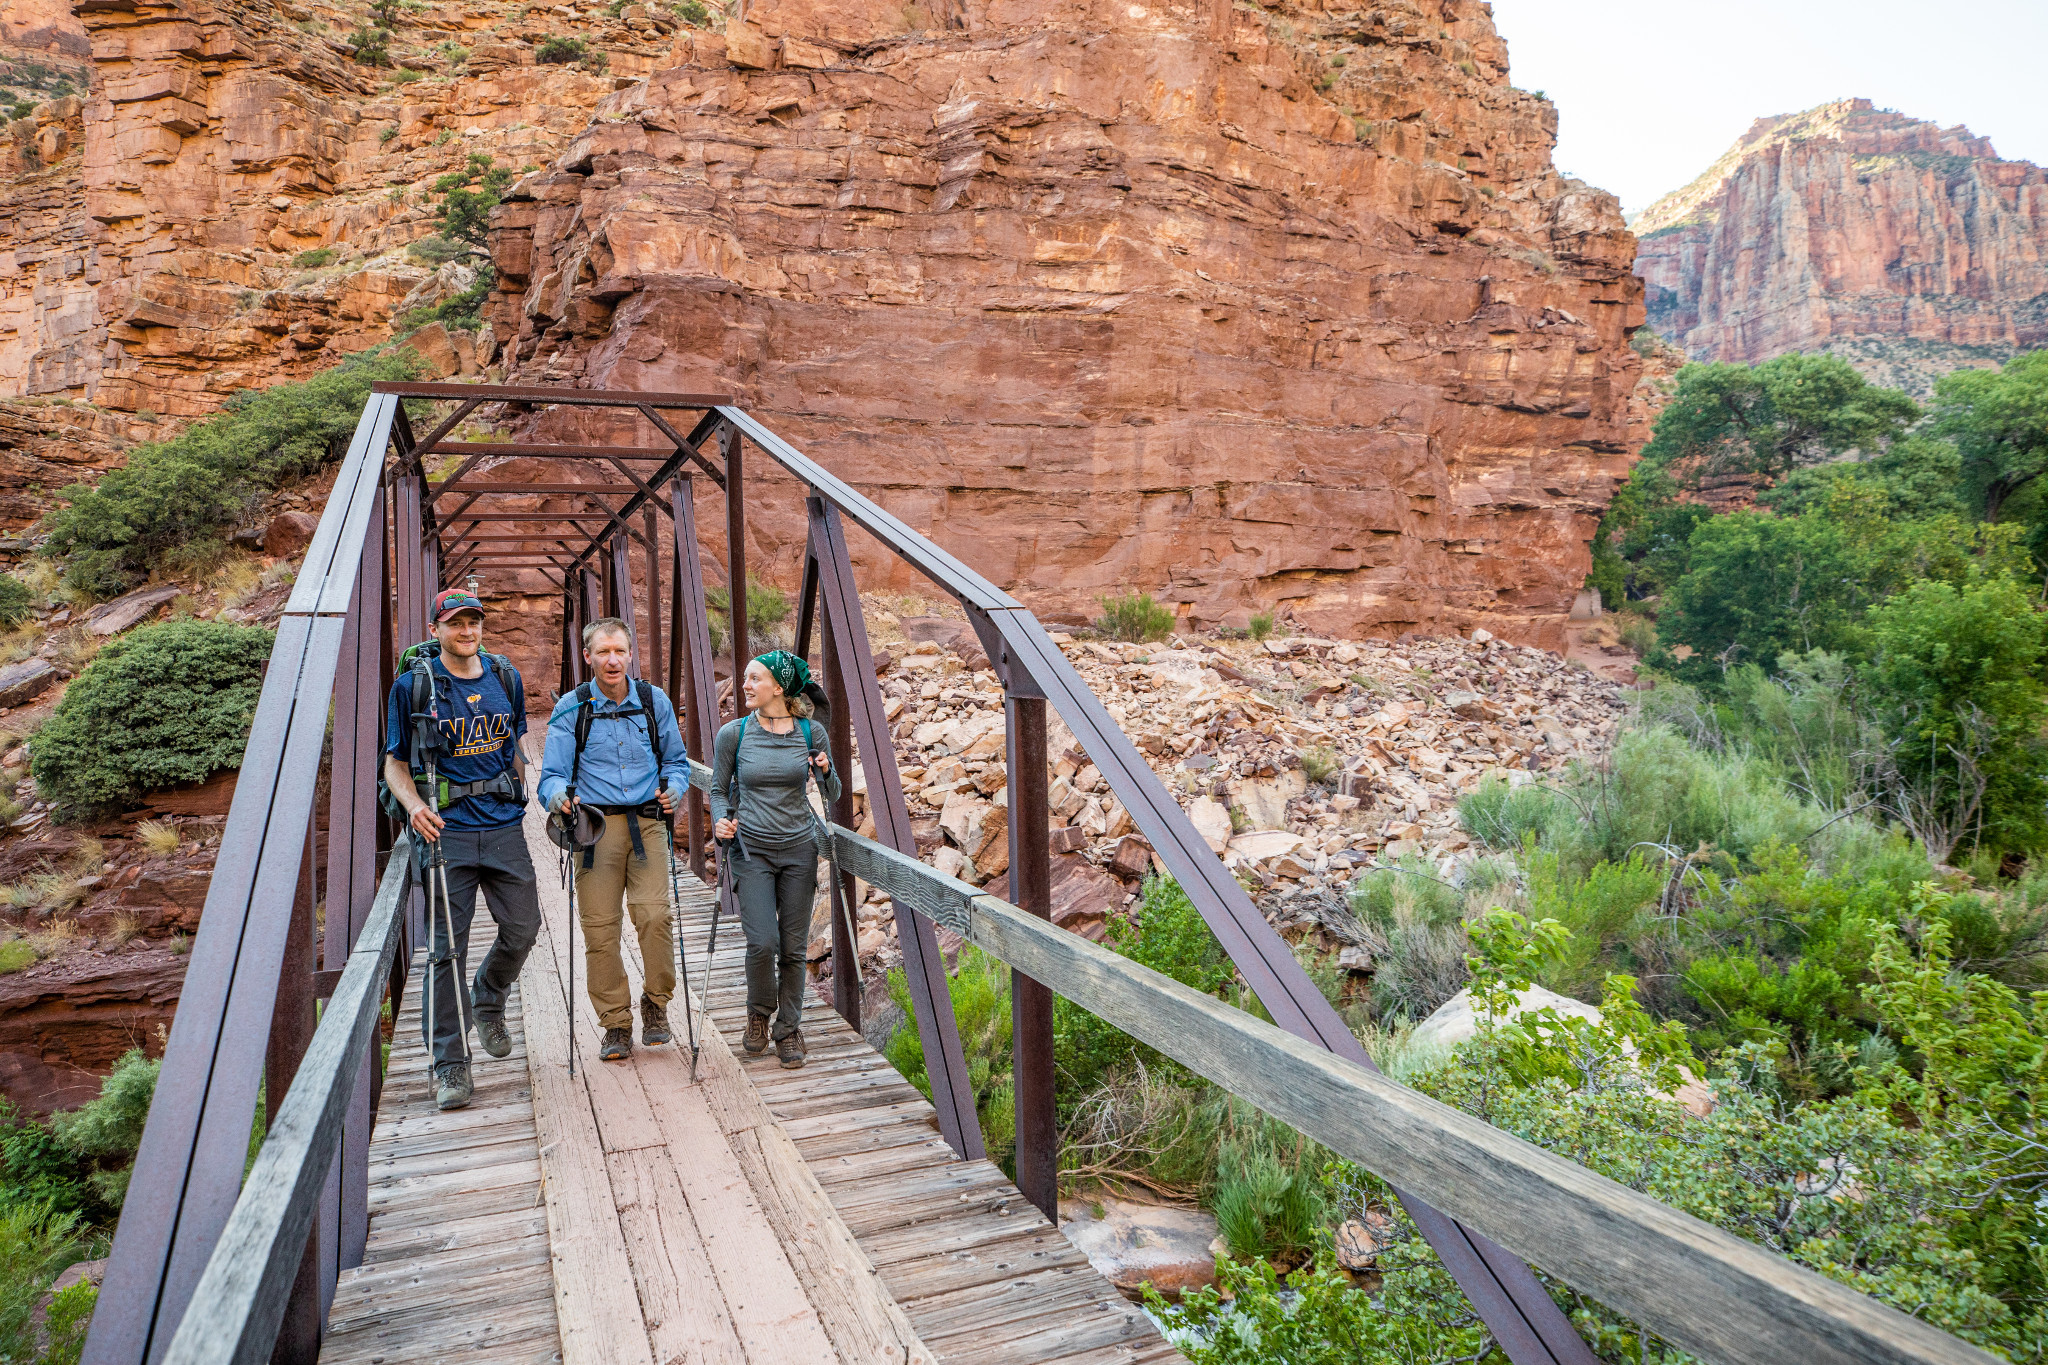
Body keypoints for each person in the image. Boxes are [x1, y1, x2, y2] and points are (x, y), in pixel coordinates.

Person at [383, 588, 541, 1112]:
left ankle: (489, 994)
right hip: (444, 832)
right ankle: (450, 1062)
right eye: (455, 623)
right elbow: (395, 764)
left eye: (473, 621)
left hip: (503, 827)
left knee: (523, 928)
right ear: (436, 630)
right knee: (445, 949)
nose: (466, 630)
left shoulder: (505, 677)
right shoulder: (412, 687)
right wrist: (413, 806)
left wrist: (526, 799)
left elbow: (515, 744)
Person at [537, 617, 690, 1063]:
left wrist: (674, 789)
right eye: (602, 652)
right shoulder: (571, 707)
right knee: (600, 929)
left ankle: (656, 1004)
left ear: (629, 654)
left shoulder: (652, 700)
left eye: (619, 651)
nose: (612, 659)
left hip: (647, 824)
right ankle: (616, 1025)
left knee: (655, 916)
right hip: (596, 829)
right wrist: (558, 799)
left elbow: (677, 762)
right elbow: (551, 776)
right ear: (587, 657)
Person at [710, 649, 838, 1070]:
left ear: (779, 687)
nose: (744, 685)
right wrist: (720, 822)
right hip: (752, 851)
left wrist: (824, 769)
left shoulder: (810, 733)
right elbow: (717, 790)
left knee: (794, 949)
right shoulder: (735, 734)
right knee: (762, 941)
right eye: (745, 678)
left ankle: (788, 1029)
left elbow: (833, 793)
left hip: (800, 851)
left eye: (753, 679)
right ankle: (758, 1014)